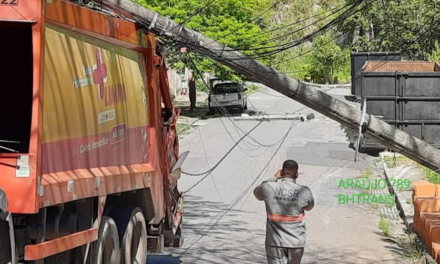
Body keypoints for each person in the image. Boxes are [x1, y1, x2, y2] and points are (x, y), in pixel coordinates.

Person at [254, 160, 314, 264]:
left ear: (281, 173)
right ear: (296, 174)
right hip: (296, 242)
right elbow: (309, 207)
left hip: (275, 242)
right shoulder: (304, 191)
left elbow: (257, 192)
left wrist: (274, 178)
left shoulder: (269, 187)